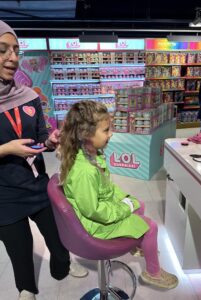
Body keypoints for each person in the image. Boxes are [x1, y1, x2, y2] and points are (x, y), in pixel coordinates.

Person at [0, 21, 88, 300]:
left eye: (16, 50)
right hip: (3, 194)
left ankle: (63, 267)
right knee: (20, 248)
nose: (12, 58)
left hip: (37, 184)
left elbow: (40, 137)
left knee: (58, 234)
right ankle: (26, 289)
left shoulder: (29, 96)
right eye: (2, 50)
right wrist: (6, 149)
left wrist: (49, 142)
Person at [58, 100, 179, 290]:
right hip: (94, 226)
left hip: (99, 212)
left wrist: (126, 200)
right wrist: (123, 208)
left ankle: (136, 243)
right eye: (106, 130)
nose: (111, 133)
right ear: (86, 134)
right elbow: (94, 211)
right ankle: (153, 273)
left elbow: (107, 188)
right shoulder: (85, 171)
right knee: (151, 227)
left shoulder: (92, 155)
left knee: (139, 204)